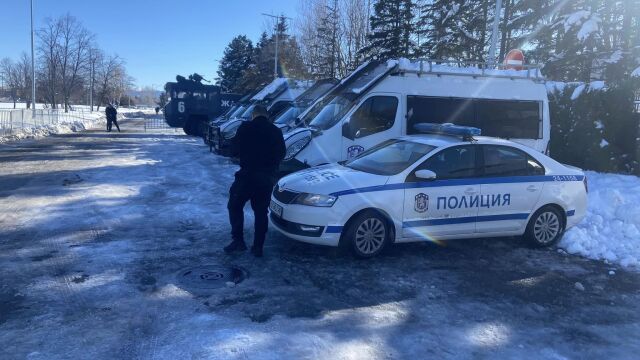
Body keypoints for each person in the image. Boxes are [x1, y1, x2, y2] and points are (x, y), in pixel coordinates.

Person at [224, 104, 286, 257]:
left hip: (246, 176)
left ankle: (238, 241)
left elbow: (233, 150)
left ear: (253, 115)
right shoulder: (276, 131)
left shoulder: (245, 128)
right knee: (260, 212)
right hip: (265, 179)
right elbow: (282, 154)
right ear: (267, 116)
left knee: (234, 206)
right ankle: (258, 247)